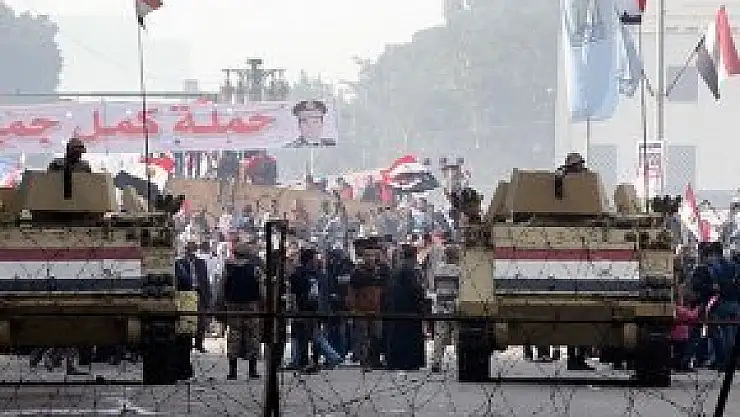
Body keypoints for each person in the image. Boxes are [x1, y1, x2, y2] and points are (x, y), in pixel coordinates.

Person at [221, 242, 264, 379]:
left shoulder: (228, 269)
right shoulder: (255, 269)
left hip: (233, 306)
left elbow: (222, 288)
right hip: (251, 306)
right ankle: (252, 370)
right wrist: (262, 304)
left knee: (234, 336)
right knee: (253, 336)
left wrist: (223, 304)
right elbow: (262, 290)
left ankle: (233, 371)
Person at [385, 245, 425, 371]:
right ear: (414, 255)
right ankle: (409, 362)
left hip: (396, 308)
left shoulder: (398, 268)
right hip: (409, 309)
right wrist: (421, 299)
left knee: (397, 335)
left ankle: (394, 362)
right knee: (409, 337)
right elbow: (415, 289)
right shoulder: (410, 269)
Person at [176, 241, 211, 353]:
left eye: (192, 251)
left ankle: (199, 343)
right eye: (188, 250)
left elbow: (205, 280)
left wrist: (207, 296)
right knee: (188, 318)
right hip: (186, 293)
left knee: (201, 319)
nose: (190, 253)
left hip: (199, 292)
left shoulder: (201, 263)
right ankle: (188, 343)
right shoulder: (179, 263)